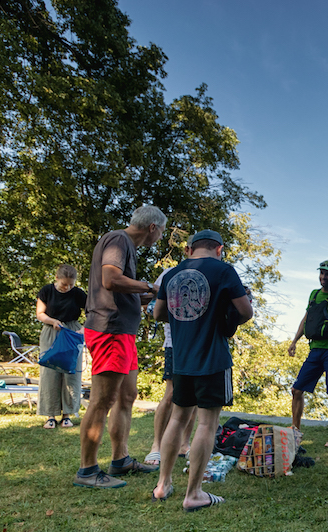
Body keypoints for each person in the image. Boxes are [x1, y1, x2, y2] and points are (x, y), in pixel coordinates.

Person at [151, 230, 252, 511]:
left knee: (177, 419)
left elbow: (158, 313)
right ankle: (193, 493)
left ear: (189, 249)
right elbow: (245, 311)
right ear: (219, 249)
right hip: (212, 359)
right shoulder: (224, 270)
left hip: (181, 358)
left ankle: (162, 485)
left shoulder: (172, 274)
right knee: (206, 423)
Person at [74, 205, 166, 489]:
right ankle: (88, 470)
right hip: (109, 329)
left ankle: (121, 459)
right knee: (103, 400)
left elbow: (120, 290)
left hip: (123, 331)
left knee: (127, 396)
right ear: (152, 227)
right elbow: (110, 279)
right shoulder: (118, 240)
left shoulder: (126, 246)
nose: (160, 237)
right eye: (161, 232)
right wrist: (148, 287)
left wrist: (149, 297)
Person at [287, 260, 328, 447]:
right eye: (322, 273)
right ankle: (295, 431)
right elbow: (306, 319)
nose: (324, 277)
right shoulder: (314, 295)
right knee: (296, 390)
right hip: (315, 350)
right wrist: (294, 341)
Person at [143, 263, 196, 467]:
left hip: (201, 344)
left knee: (195, 398)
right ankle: (156, 447)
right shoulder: (170, 273)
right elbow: (153, 306)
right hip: (175, 343)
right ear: (188, 250)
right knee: (171, 394)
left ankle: (184, 445)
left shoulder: (210, 273)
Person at [35, 264, 87, 429]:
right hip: (51, 331)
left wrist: (83, 329)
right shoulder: (47, 291)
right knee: (50, 372)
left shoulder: (78, 294)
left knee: (70, 372)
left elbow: (92, 312)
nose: (68, 287)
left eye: (71, 284)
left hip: (72, 332)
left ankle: (67, 414)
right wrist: (52, 321)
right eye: (65, 284)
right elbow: (40, 313)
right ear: (56, 278)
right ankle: (50, 415)